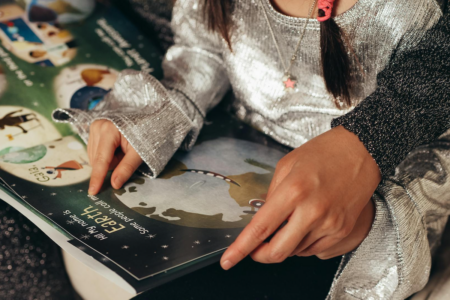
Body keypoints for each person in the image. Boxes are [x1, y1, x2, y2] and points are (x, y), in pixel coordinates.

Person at [53, 0, 450, 298]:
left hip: (341, 240)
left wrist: (366, 222)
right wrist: (150, 117)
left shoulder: (416, 17)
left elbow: (434, 165)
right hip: (222, 201)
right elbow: (203, 50)